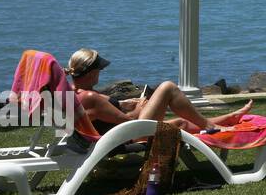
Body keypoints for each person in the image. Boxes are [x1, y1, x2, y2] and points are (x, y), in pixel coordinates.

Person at [65, 48, 252, 136]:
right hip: (129, 136)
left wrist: (124, 104)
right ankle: (211, 126)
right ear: (92, 72)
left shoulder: (75, 93)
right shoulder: (90, 97)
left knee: (180, 123)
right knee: (167, 87)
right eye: (99, 70)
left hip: (117, 133)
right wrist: (140, 109)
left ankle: (228, 118)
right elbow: (128, 122)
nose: (101, 72)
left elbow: (105, 110)